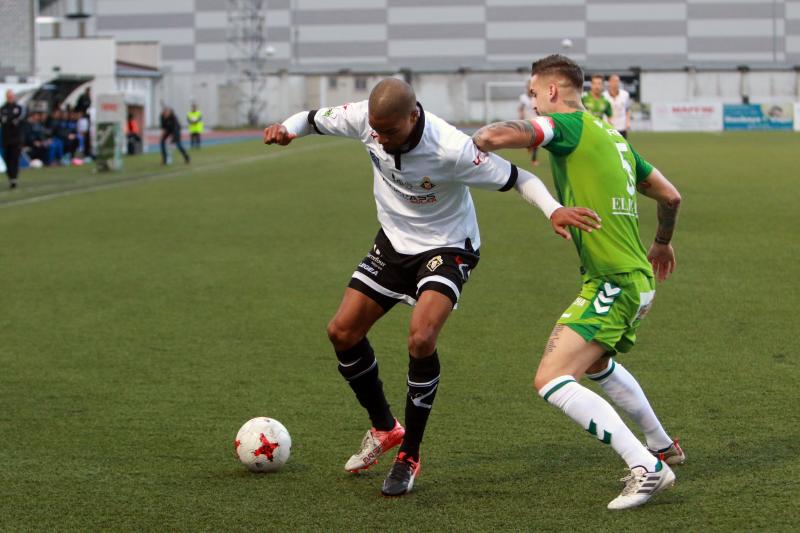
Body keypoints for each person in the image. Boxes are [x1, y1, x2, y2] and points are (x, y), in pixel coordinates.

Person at [263, 78, 600, 497]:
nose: (381, 140)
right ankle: (385, 428)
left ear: (414, 115)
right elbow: (312, 119)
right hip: (393, 242)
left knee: (421, 337)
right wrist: (288, 128)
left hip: (448, 245)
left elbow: (518, 178)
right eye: (376, 131)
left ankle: (409, 455)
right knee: (342, 332)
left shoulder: (452, 149)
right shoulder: (365, 120)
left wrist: (553, 210)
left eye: (391, 131)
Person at [472, 54, 684, 510]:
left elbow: (495, 136)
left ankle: (646, 467)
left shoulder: (564, 125)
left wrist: (481, 139)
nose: (533, 102)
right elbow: (671, 195)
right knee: (595, 364)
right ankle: (662, 444)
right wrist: (662, 242)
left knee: (550, 378)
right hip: (636, 278)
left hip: (614, 280)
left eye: (533, 94)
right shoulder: (616, 139)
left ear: (551, 91)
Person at [1, 89, 25, 189]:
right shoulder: (3, 108)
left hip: (16, 139)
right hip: (6, 138)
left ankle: (14, 178)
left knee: (14, 159)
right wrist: (9, 119)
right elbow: (5, 120)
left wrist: (8, 119)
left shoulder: (18, 107)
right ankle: (10, 176)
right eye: (8, 96)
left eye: (11, 96)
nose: (10, 98)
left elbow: (16, 119)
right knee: (7, 159)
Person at [604, 74, 631, 139]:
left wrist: (628, 122)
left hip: (621, 127)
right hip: (608, 127)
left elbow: (627, 109)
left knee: (622, 147)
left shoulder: (625, 95)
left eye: (617, 81)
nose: (615, 83)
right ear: (609, 83)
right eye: (613, 81)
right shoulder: (604, 96)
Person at [517, 89, 539, 167]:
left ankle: (534, 159)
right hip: (527, 121)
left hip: (536, 120)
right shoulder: (523, 98)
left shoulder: (537, 98)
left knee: (537, 139)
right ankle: (528, 146)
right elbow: (520, 108)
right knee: (528, 138)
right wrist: (521, 116)